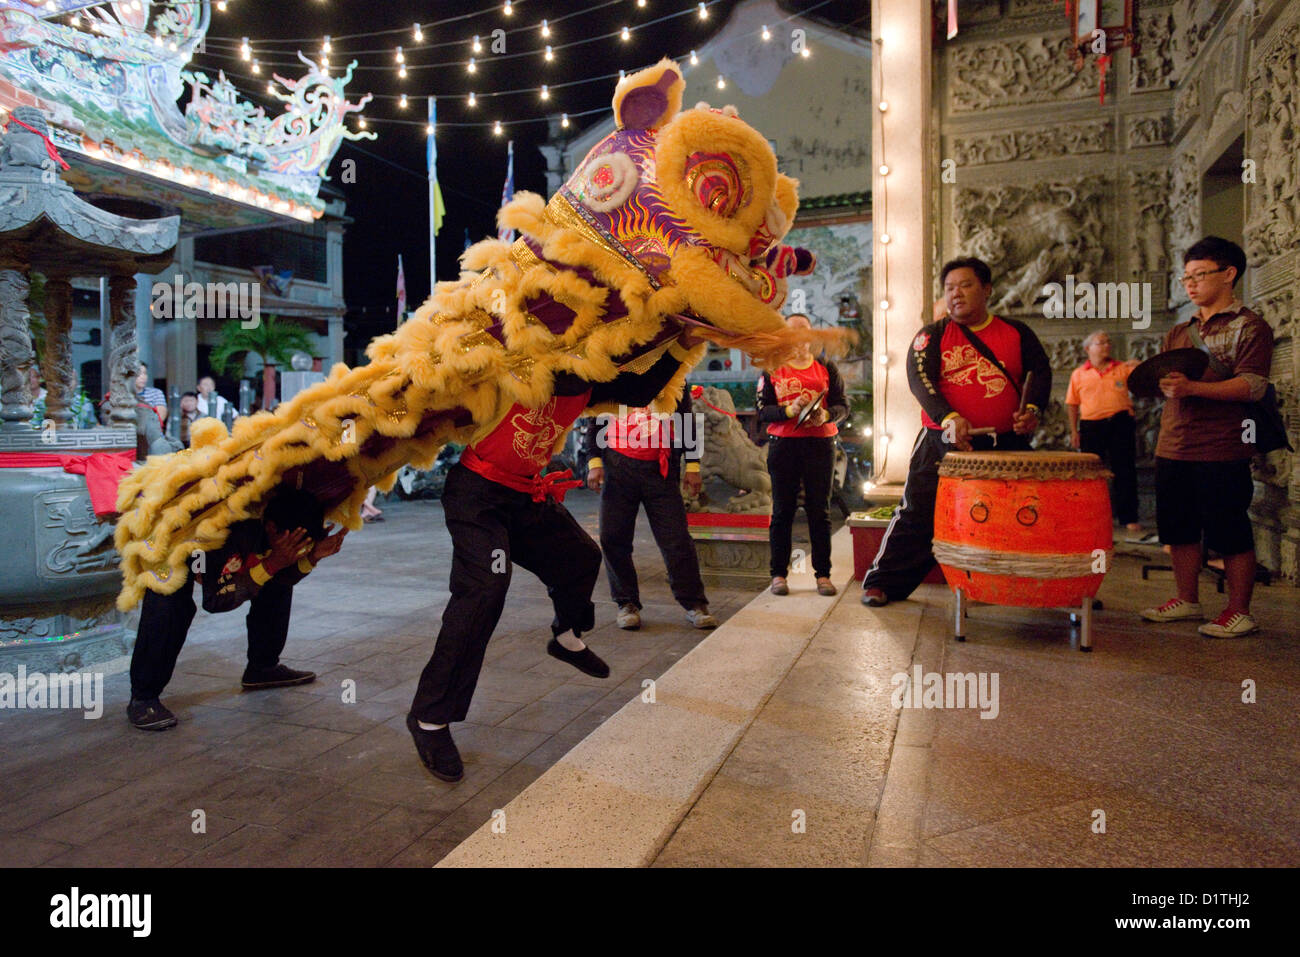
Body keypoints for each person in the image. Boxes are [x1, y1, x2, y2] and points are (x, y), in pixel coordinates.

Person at [407, 335, 699, 783]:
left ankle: (564, 635)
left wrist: (683, 342)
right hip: (477, 496)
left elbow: (638, 390)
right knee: (485, 588)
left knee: (580, 557)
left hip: (525, 497)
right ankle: (430, 719)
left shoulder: (586, 381)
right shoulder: (517, 368)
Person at [862, 257, 1051, 606]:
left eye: (965, 285)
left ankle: (1032, 585)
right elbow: (920, 381)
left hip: (1004, 443)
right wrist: (949, 416)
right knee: (918, 512)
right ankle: (883, 582)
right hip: (941, 441)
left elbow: (1040, 372)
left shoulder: (1016, 332)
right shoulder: (931, 335)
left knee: (1015, 514)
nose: (956, 294)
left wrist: (1032, 411)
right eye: (949, 288)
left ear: (987, 289)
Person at [126, 488, 348, 730]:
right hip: (178, 541)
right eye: (295, 545)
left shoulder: (270, 514)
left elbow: (281, 575)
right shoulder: (230, 535)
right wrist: (274, 563)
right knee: (169, 602)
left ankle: (262, 668)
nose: (297, 552)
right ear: (272, 528)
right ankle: (143, 696)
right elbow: (215, 601)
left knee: (275, 579)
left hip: (233, 534)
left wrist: (311, 556)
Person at [1140, 236, 1273, 638]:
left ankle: (1239, 610)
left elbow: (1253, 386)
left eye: (1200, 275)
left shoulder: (1250, 327)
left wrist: (1194, 389)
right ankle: (1187, 599)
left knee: (1228, 528)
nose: (1191, 284)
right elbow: (1166, 382)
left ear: (1229, 274)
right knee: (1177, 528)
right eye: (1186, 278)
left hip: (1221, 446)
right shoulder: (1181, 331)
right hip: (1173, 443)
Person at [582, 389, 718, 631]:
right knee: (613, 537)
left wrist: (693, 465)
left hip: (661, 469)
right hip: (618, 466)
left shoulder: (674, 372)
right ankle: (626, 603)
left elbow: (685, 418)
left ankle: (695, 604)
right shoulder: (615, 372)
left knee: (676, 539)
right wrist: (594, 462)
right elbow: (596, 417)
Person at [758, 313, 848, 597]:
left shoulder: (826, 367)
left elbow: (843, 406)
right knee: (782, 511)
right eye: (791, 332)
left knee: (819, 511)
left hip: (820, 445)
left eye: (804, 332)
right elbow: (763, 411)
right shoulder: (772, 369)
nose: (798, 338)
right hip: (784, 446)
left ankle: (823, 575)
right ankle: (778, 575)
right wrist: (788, 410)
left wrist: (826, 415)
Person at [1066, 331, 1142, 533]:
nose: (1106, 345)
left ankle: (1129, 517)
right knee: (1091, 473)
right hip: (1091, 426)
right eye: (1100, 343)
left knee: (1125, 470)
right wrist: (1074, 431)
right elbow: (1072, 405)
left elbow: (1143, 381)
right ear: (1087, 349)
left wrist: (1139, 366)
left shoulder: (1122, 368)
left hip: (1120, 422)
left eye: (1108, 342)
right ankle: (1092, 516)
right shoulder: (1079, 374)